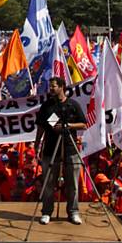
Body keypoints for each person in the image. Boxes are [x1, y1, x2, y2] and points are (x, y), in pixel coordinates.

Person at [34, 77, 86, 225]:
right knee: (49, 183)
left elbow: (83, 124)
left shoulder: (73, 105)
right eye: (50, 87)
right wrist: (37, 143)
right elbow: (41, 127)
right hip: (51, 148)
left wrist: (69, 126)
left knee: (72, 183)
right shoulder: (46, 106)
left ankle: (73, 211)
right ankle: (46, 212)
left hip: (70, 148)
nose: (51, 89)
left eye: (54, 86)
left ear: (62, 87)